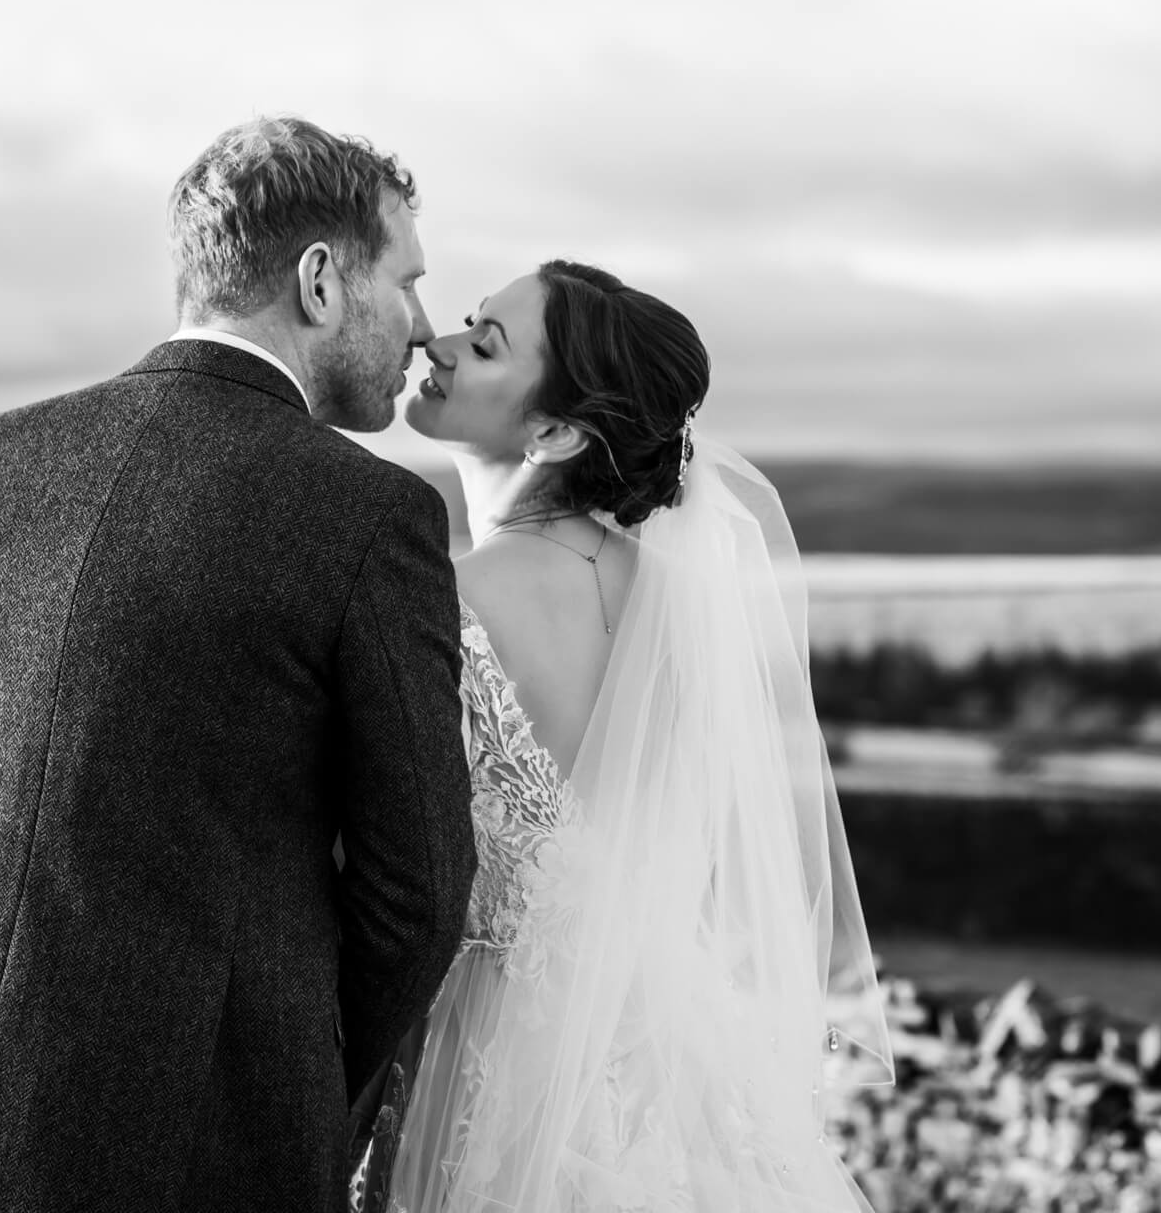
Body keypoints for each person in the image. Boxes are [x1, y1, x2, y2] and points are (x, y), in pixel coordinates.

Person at [0, 116, 477, 1213]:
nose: (423, 325)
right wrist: (286, 1086)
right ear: (321, 280)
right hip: (224, 1159)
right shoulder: (373, 514)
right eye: (409, 282)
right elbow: (417, 893)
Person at [359, 261, 894, 1212]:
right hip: (668, 1051)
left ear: (555, 432)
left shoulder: (442, 601)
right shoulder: (688, 608)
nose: (437, 343)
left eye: (485, 344)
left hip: (484, 1054)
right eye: (470, 321)